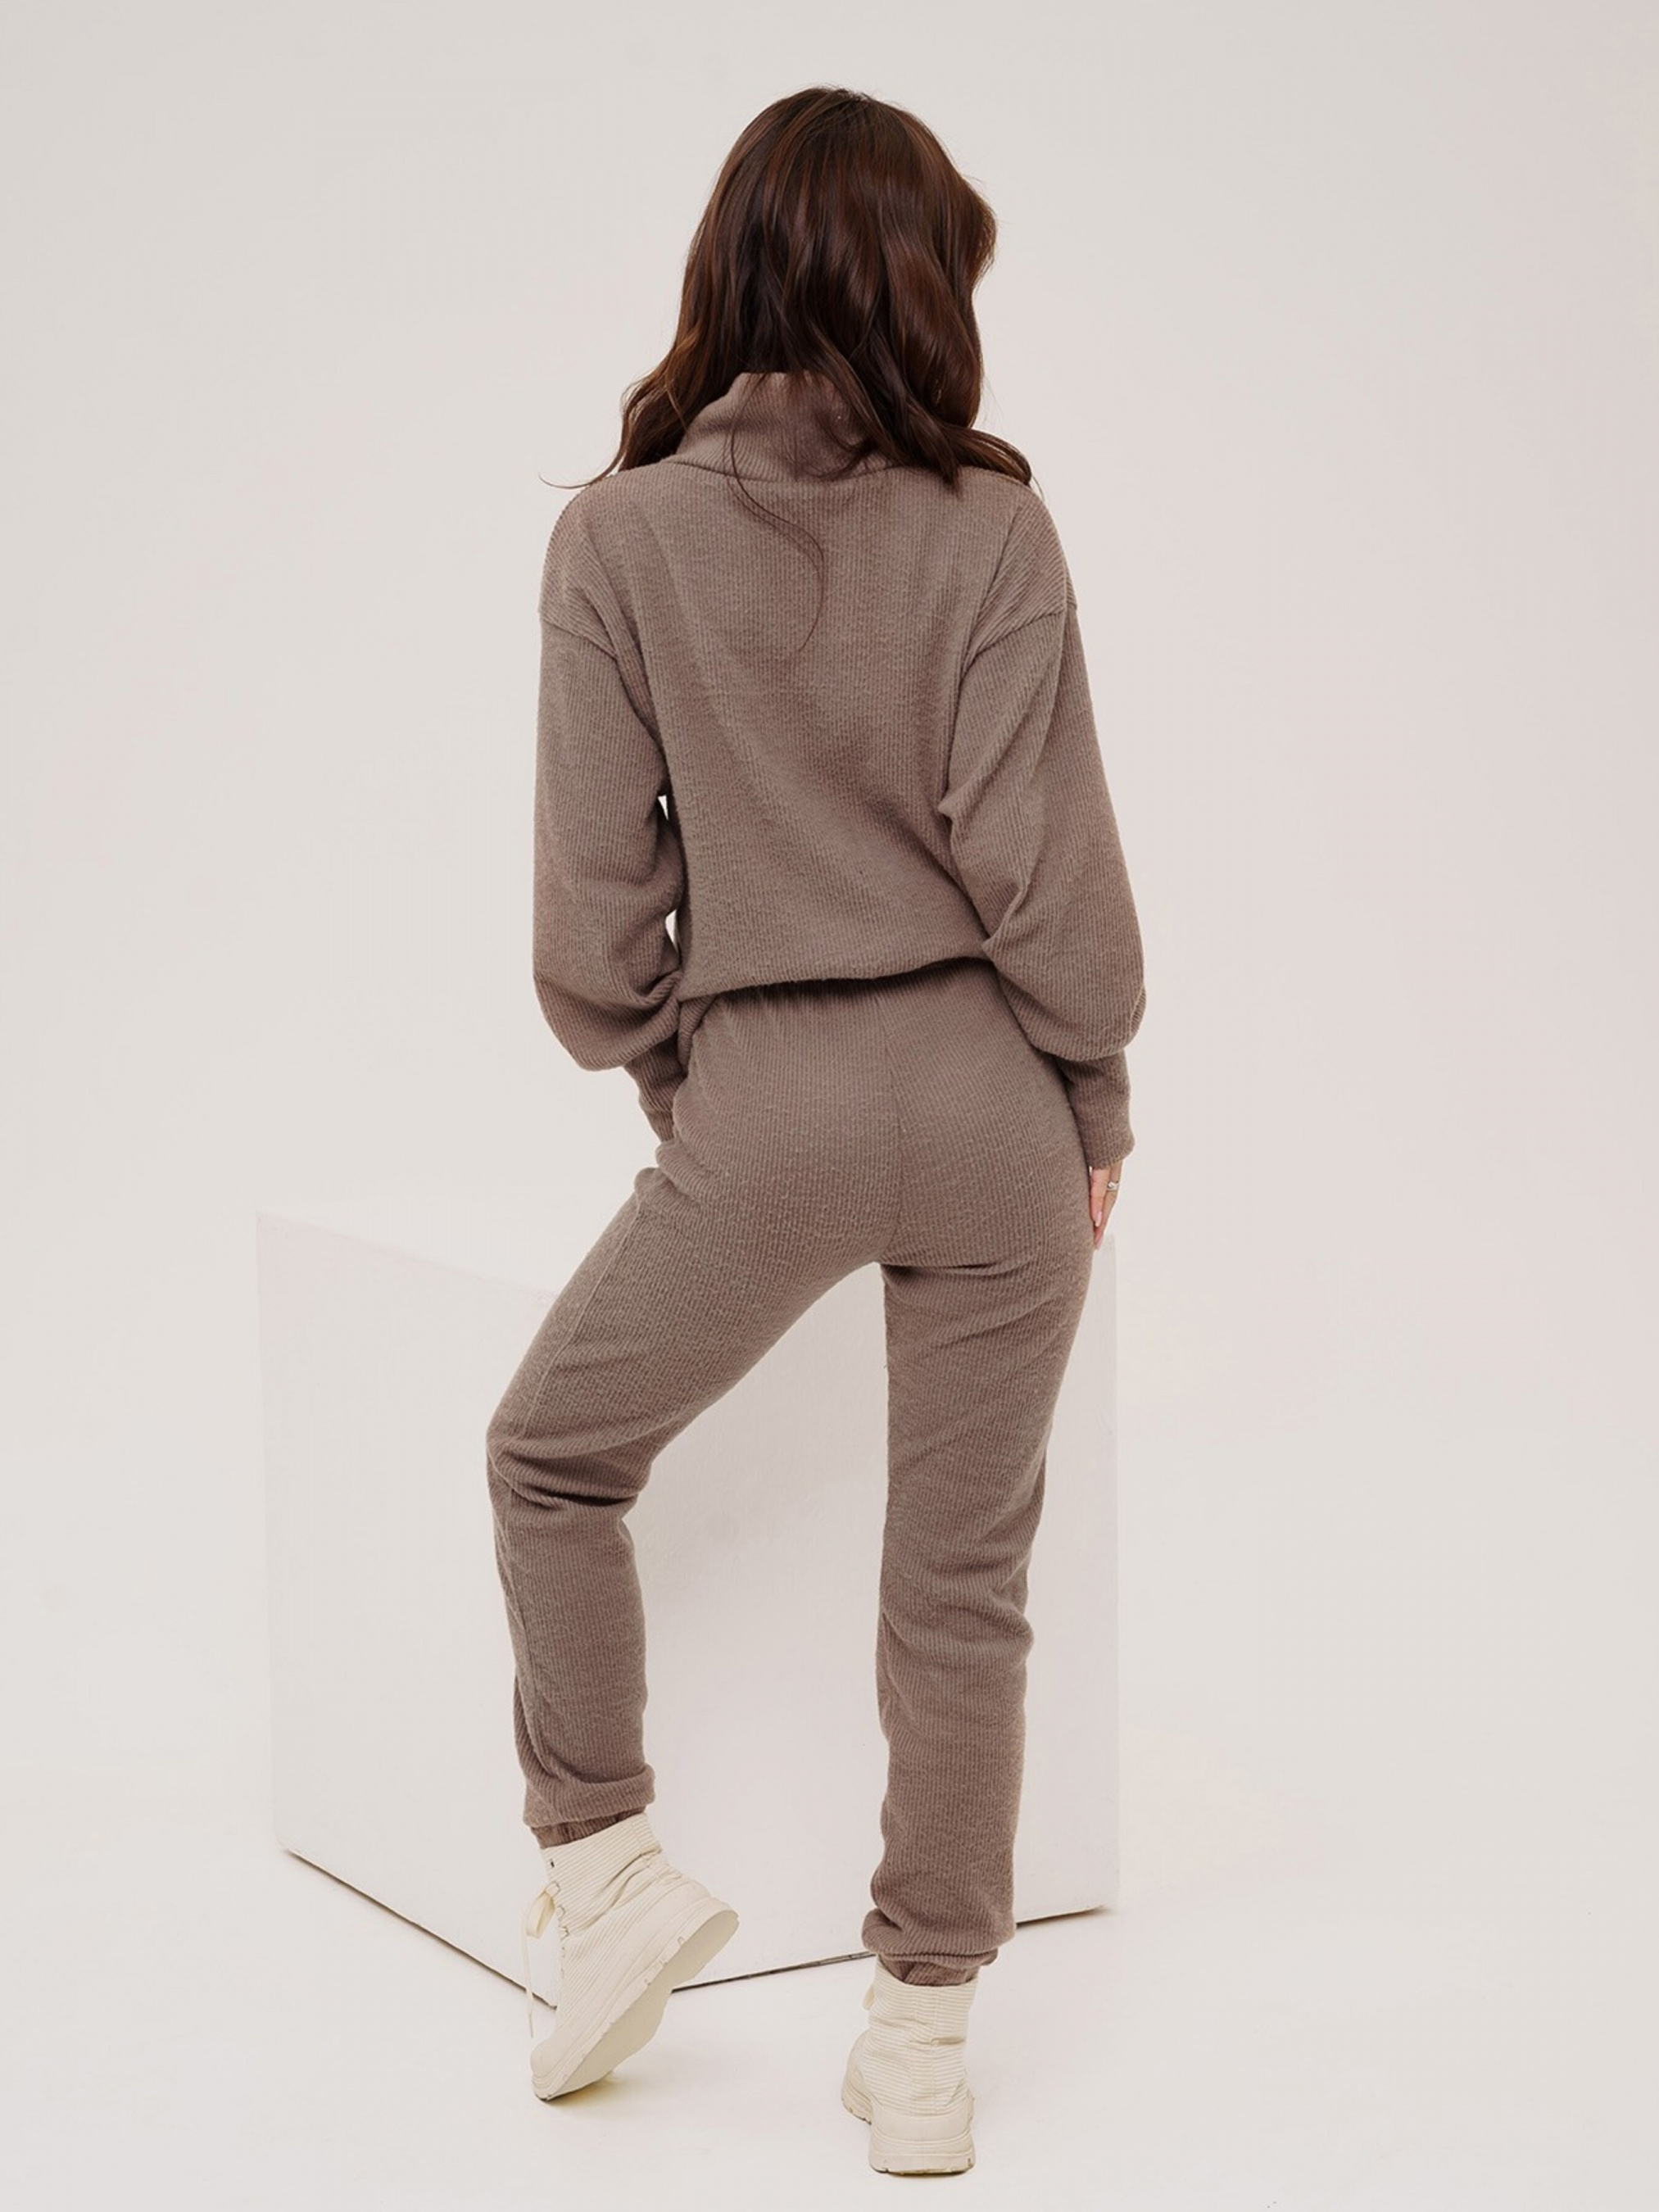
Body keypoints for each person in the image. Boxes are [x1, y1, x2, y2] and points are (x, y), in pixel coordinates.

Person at [485, 84, 1146, 2175]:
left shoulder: (617, 538)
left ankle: (606, 1873)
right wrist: (1091, 1096)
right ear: (914, 284)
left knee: (550, 1458)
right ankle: (919, 2047)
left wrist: (691, 1085)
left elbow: (592, 936)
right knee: (959, 1588)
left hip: (767, 1099)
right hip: (993, 1109)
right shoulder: (993, 528)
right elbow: (1050, 884)